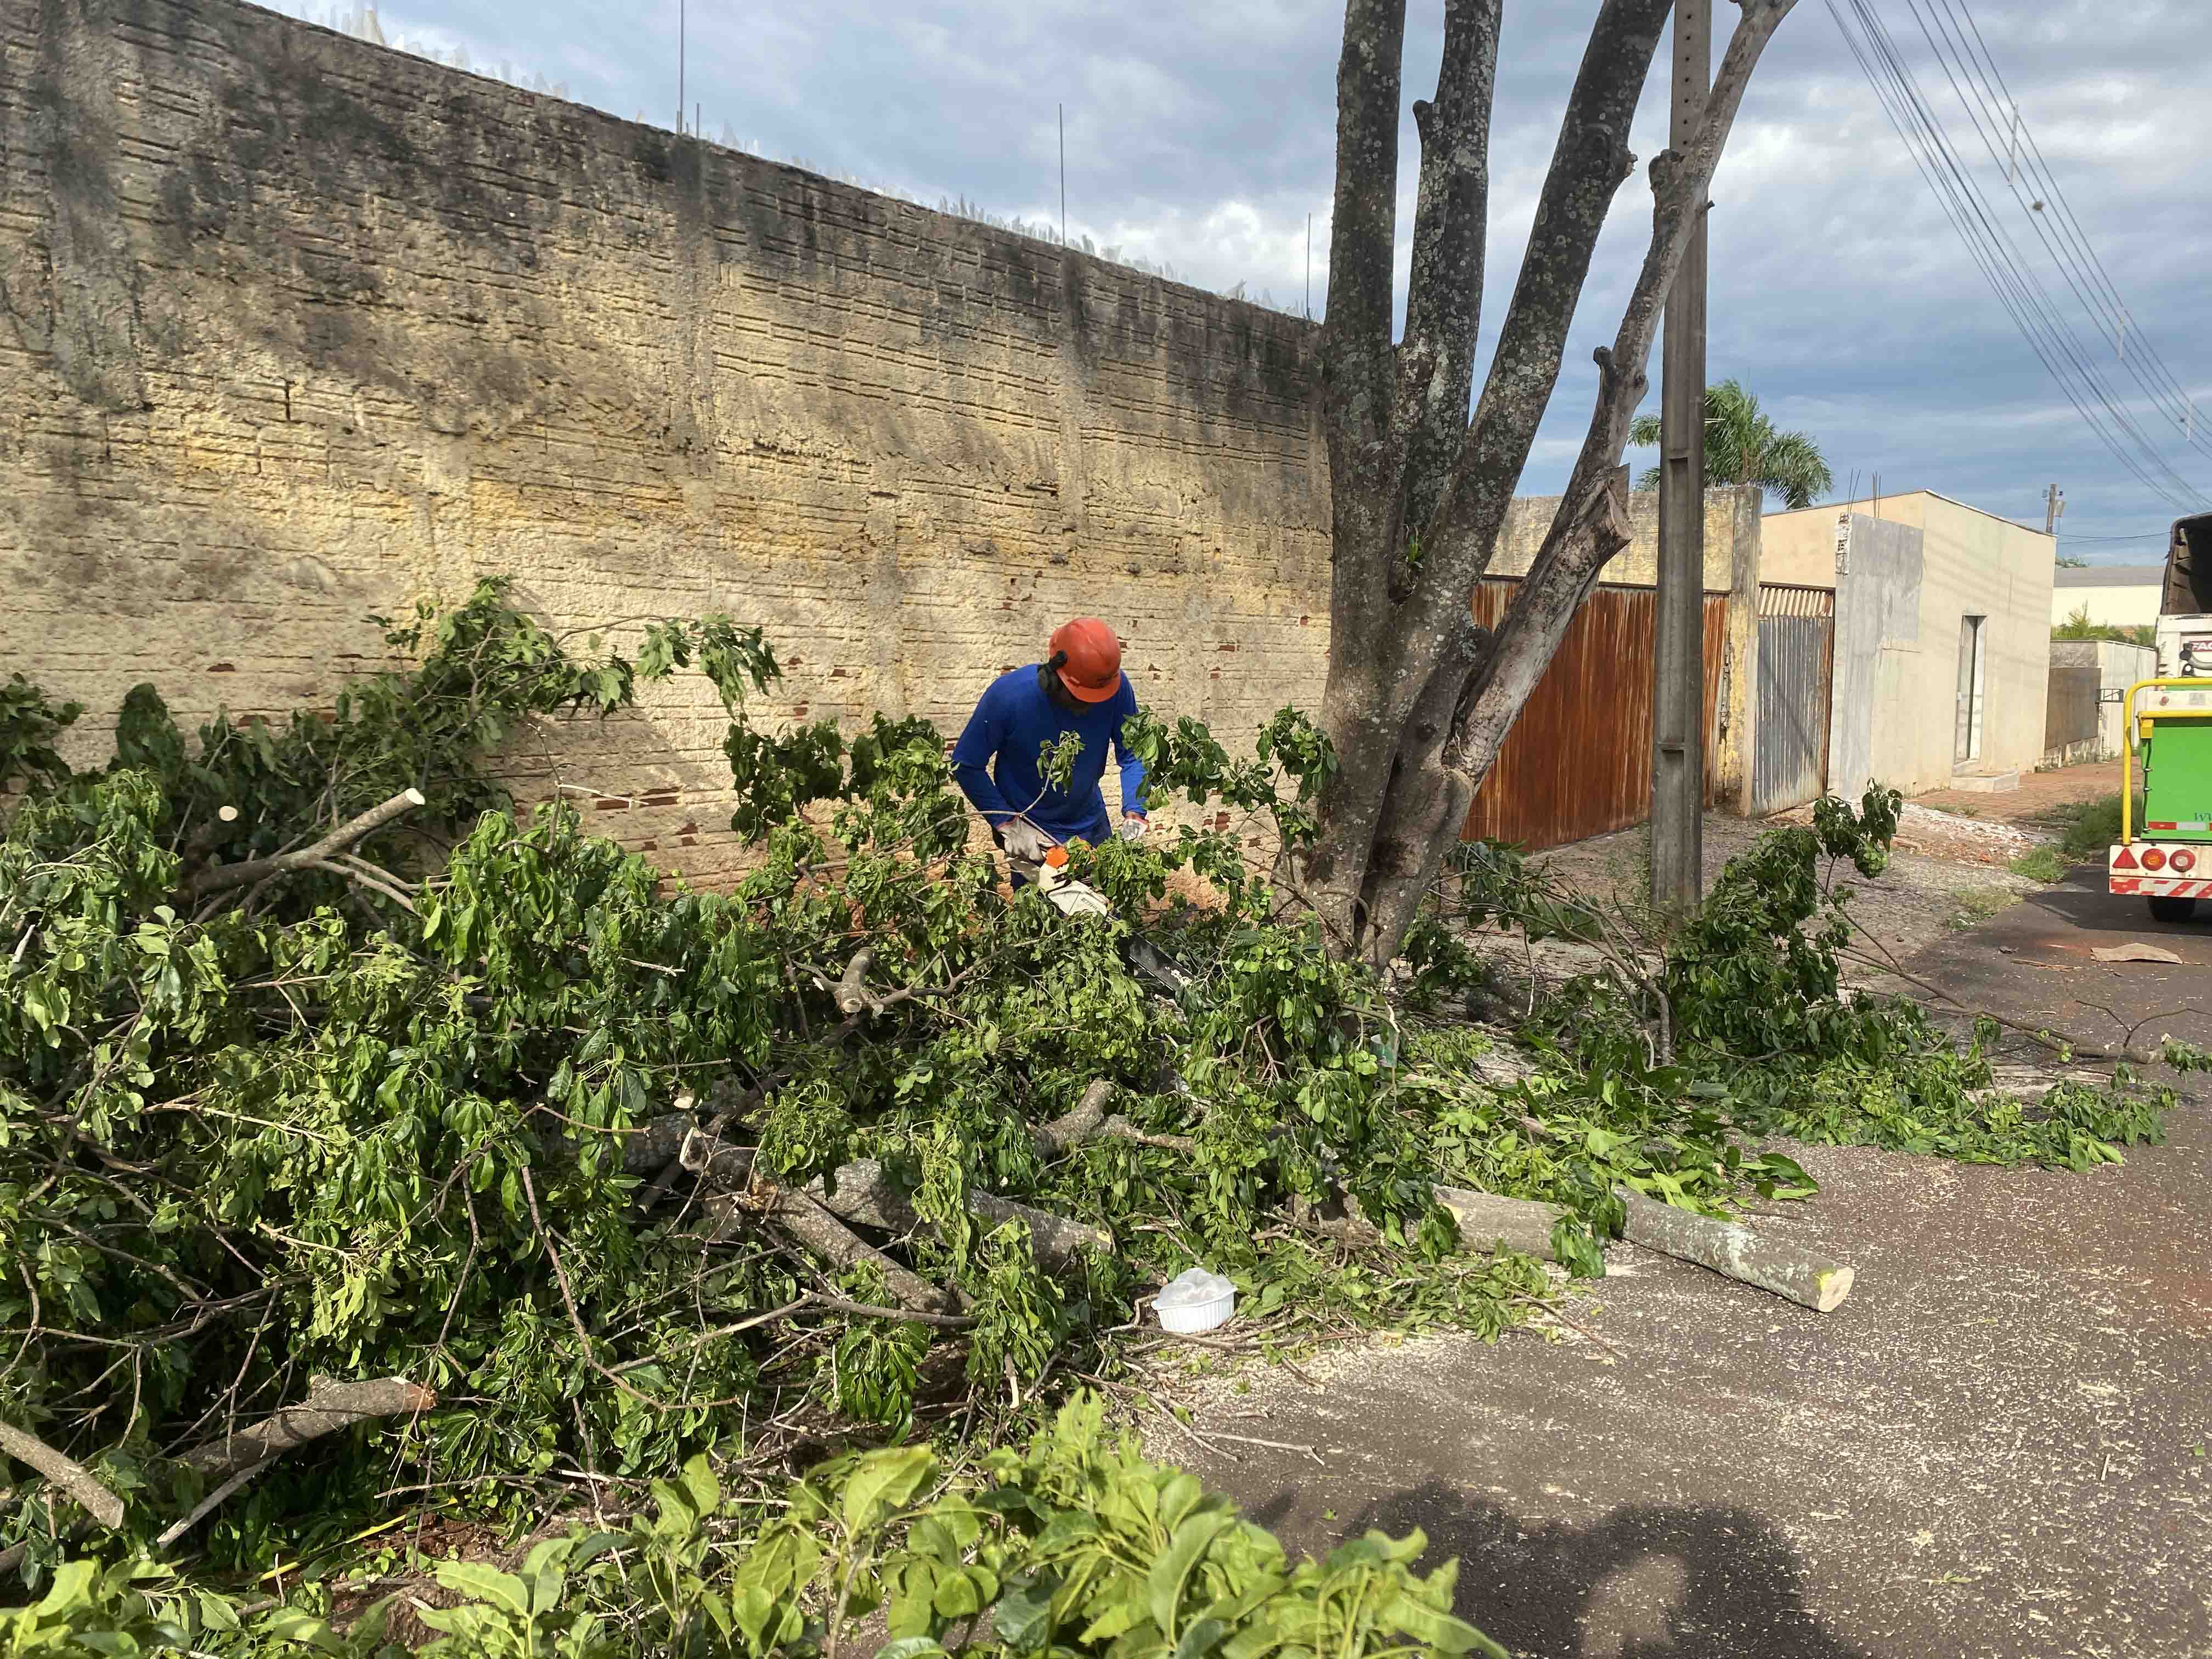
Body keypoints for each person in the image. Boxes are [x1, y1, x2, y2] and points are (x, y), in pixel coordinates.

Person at [952, 617, 1148, 873]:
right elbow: (967, 764)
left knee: (1104, 904)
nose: (1090, 705)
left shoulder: (1114, 688)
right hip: (1032, 828)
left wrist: (1135, 809)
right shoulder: (1009, 697)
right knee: (1042, 909)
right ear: (1053, 674)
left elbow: (1133, 753)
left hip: (1091, 819)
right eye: (1082, 696)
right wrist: (1007, 823)